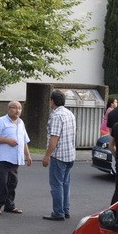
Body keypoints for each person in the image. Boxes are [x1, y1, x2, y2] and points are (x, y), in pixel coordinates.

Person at [0, 101, 32, 215]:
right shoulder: (1, 121)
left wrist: (28, 155)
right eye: (14, 108)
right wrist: (7, 141)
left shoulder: (21, 123)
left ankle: (9, 205)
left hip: (15, 158)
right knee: (2, 182)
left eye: (20, 108)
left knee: (12, 183)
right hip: (2, 158)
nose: (17, 111)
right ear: (8, 109)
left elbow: (24, 141)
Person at [42, 89, 76, 221]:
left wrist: (47, 156)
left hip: (59, 155)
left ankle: (58, 212)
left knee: (56, 185)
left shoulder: (56, 116)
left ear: (53, 101)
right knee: (65, 184)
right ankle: (65, 210)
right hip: (70, 154)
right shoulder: (69, 114)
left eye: (50, 100)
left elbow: (54, 139)